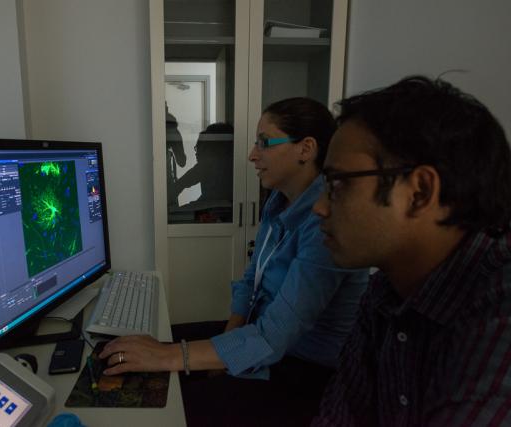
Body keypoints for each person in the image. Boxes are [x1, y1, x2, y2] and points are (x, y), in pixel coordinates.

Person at [100, 97, 369, 426]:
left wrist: (172, 356)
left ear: (306, 148)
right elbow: (250, 282)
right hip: (262, 335)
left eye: (264, 143)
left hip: (304, 367)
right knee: (150, 350)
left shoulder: (324, 225)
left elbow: (274, 338)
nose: (252, 154)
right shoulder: (277, 202)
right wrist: (224, 342)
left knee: (165, 401)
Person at [311, 76, 511, 426]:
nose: (320, 207)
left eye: (338, 183)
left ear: (419, 192)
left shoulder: (500, 306)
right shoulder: (385, 290)